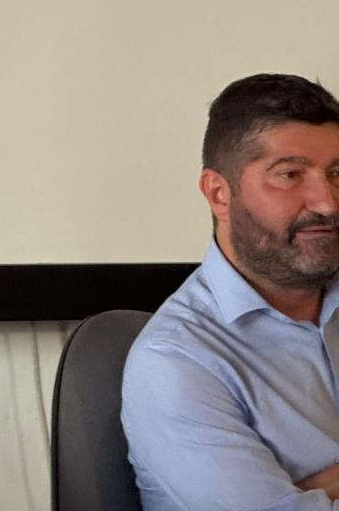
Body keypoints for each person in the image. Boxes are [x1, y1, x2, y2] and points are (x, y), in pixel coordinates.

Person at [122, 73, 339, 511]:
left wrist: (315, 488)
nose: (327, 202)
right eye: (290, 174)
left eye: (338, 174)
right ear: (220, 194)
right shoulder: (174, 361)